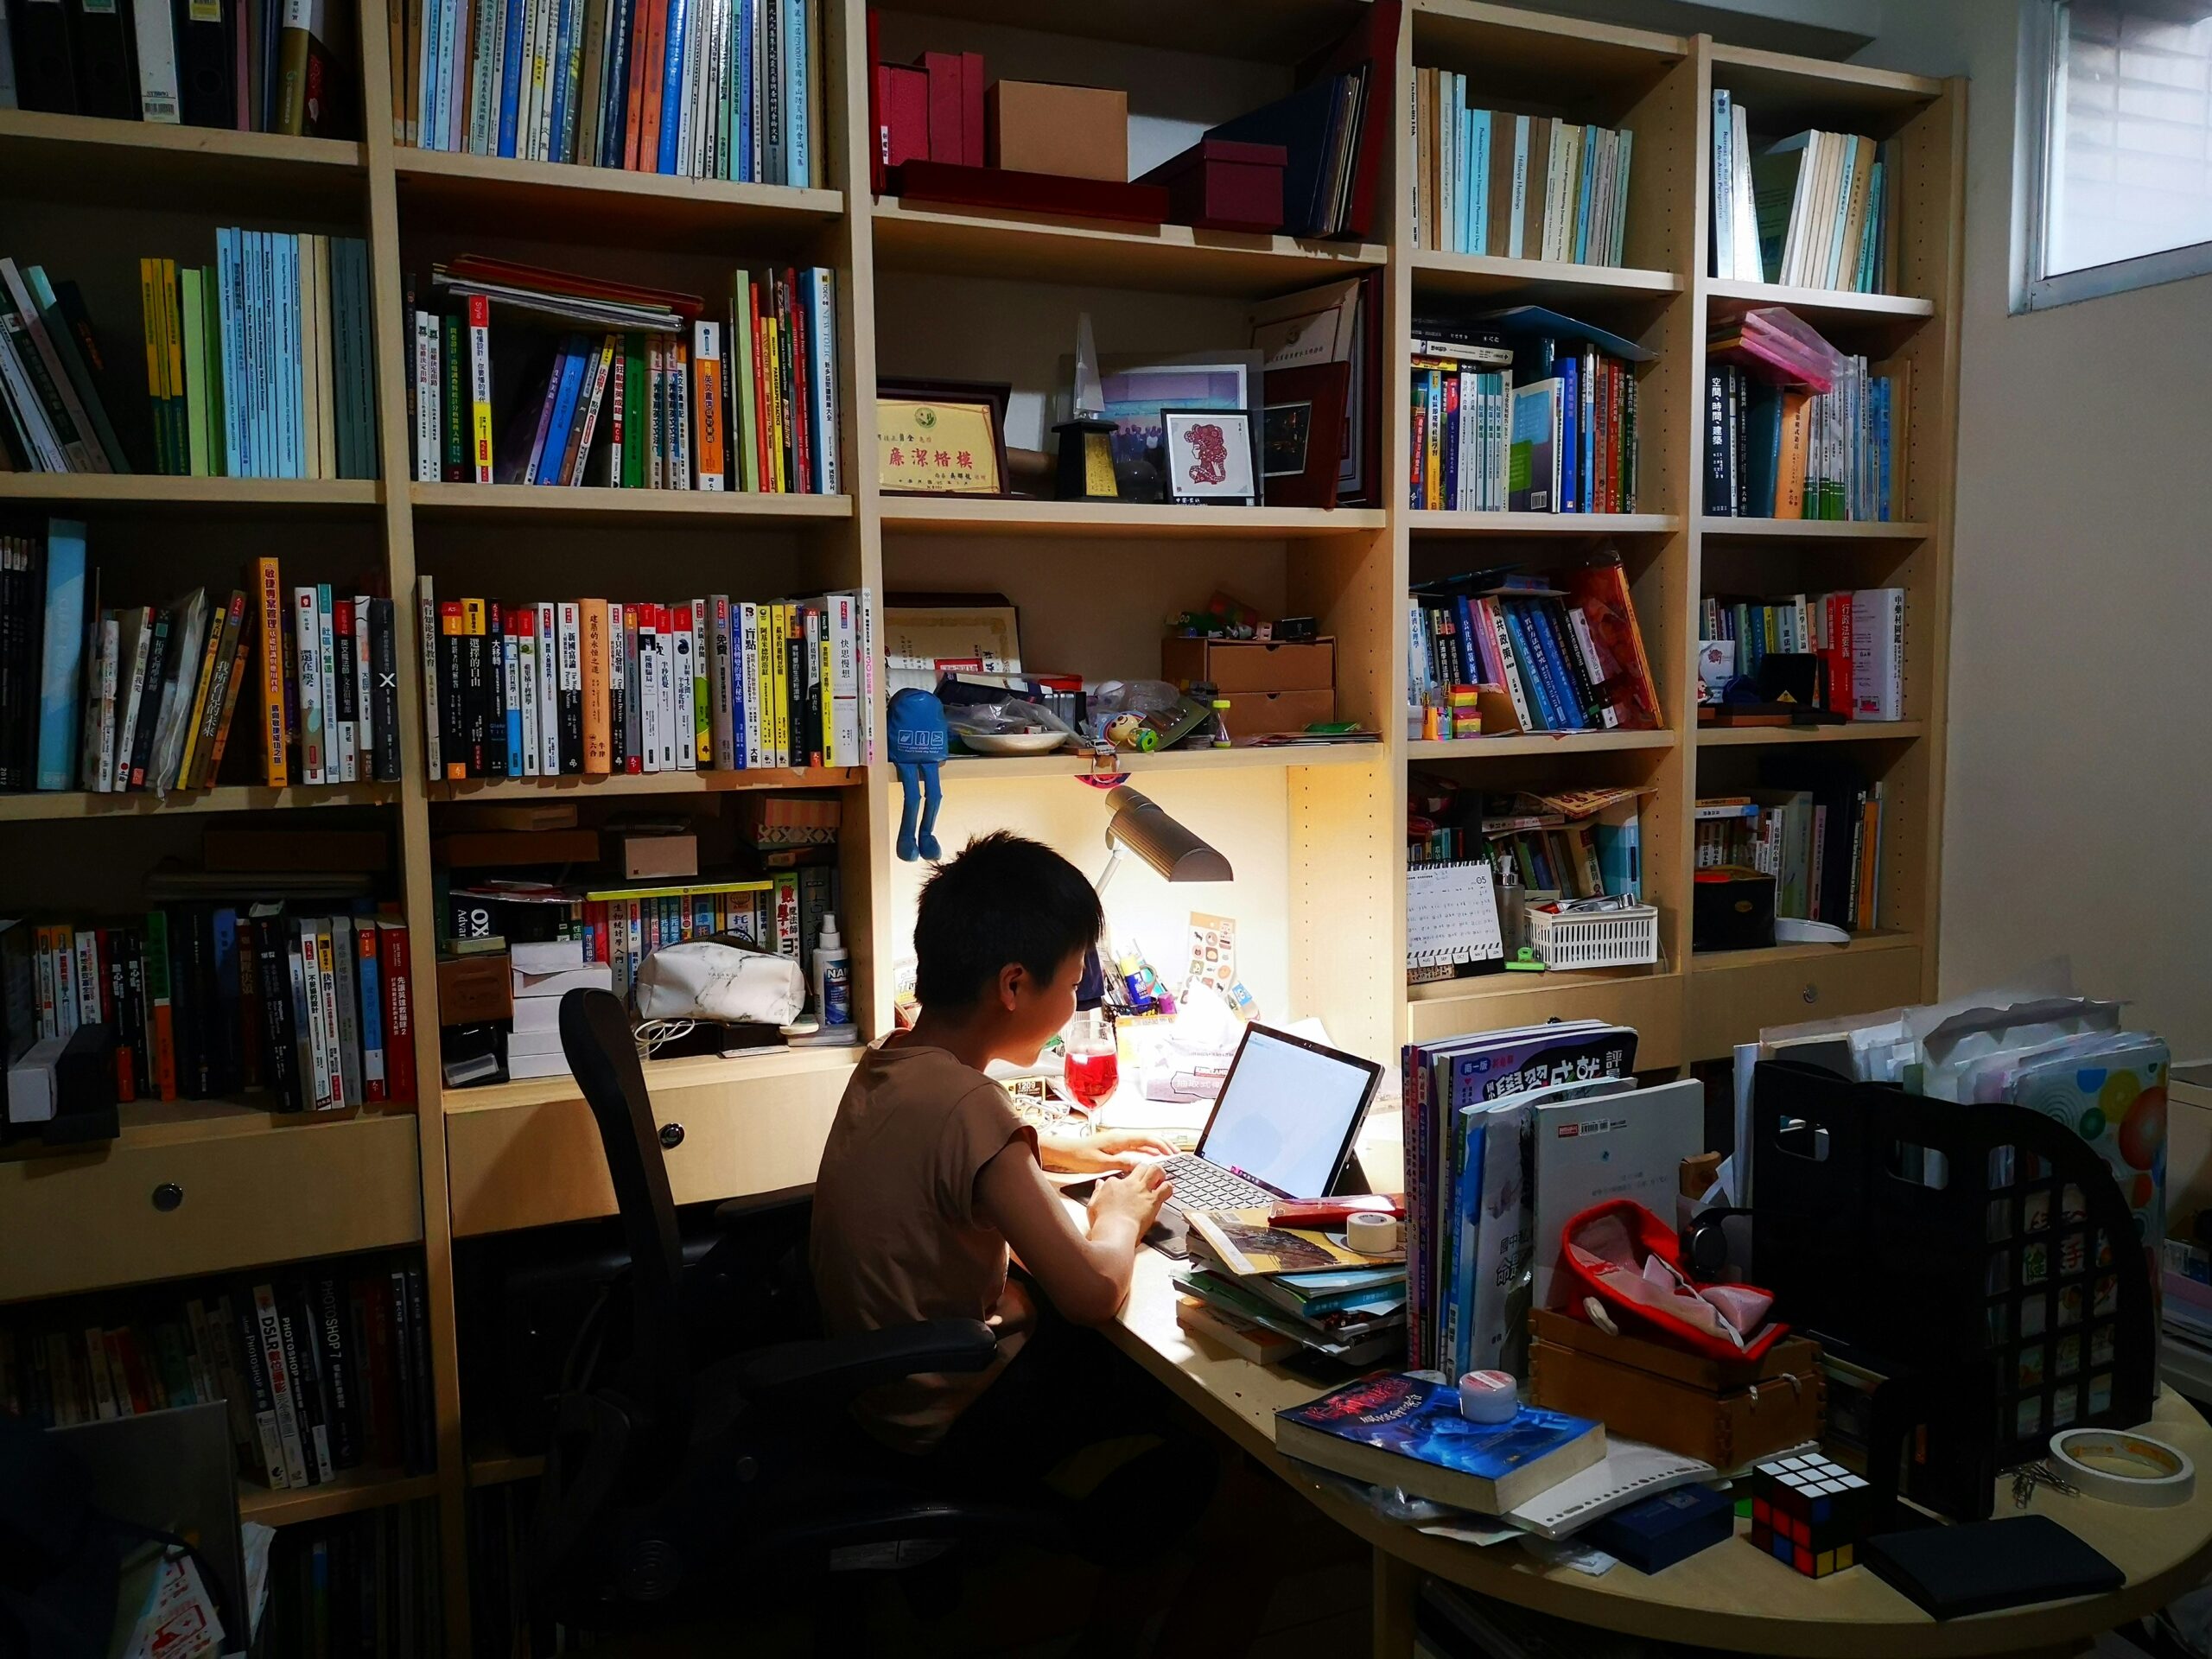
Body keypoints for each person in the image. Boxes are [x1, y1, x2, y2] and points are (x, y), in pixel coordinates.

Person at [810, 830, 1179, 1477]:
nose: (1074, 1003)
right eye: (1072, 985)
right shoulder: (968, 1106)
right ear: (1013, 985)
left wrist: (1069, 1149)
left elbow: (942, 1161)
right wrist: (1119, 1216)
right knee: (1175, 1399)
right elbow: (1092, 1292)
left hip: (876, 1398)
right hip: (945, 1419)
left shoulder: (892, 1060)